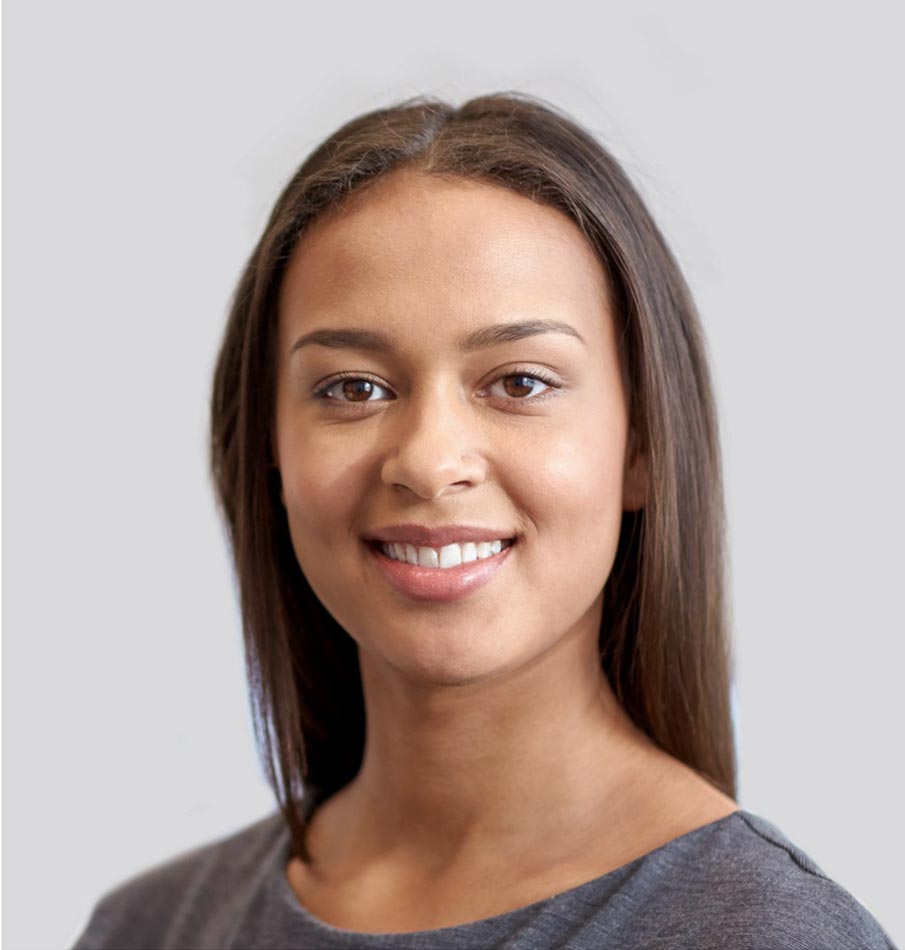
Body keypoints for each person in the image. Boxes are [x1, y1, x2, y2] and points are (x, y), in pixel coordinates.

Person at [72, 93, 896, 950]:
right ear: (268, 447)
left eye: (519, 382)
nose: (428, 462)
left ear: (642, 445)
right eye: (353, 387)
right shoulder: (146, 929)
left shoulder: (769, 935)